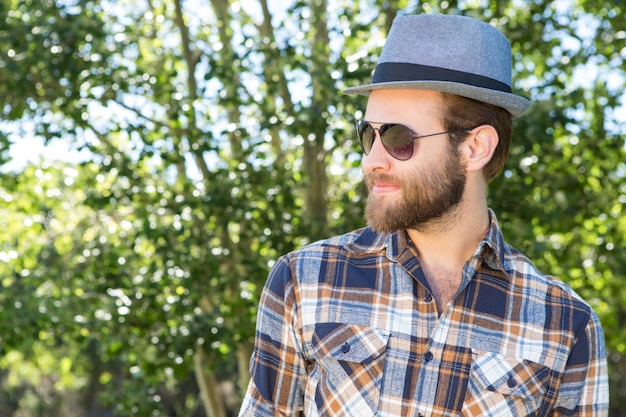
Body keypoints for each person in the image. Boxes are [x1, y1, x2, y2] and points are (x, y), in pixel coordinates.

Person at [238, 14, 609, 417]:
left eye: (398, 138)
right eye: (368, 135)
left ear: (474, 148)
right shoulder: (304, 279)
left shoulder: (567, 325)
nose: (371, 162)